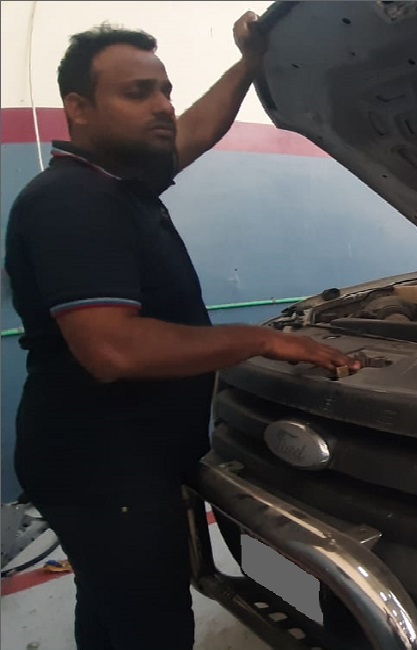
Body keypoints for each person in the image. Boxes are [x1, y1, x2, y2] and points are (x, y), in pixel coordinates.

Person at [2, 12, 360, 650]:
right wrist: (259, 339)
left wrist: (249, 63)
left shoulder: (119, 184)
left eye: (165, 90)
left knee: (110, 607)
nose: (163, 105)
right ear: (78, 108)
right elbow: (112, 349)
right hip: (104, 470)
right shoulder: (73, 202)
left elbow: (196, 129)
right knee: (153, 626)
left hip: (116, 460)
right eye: (137, 92)